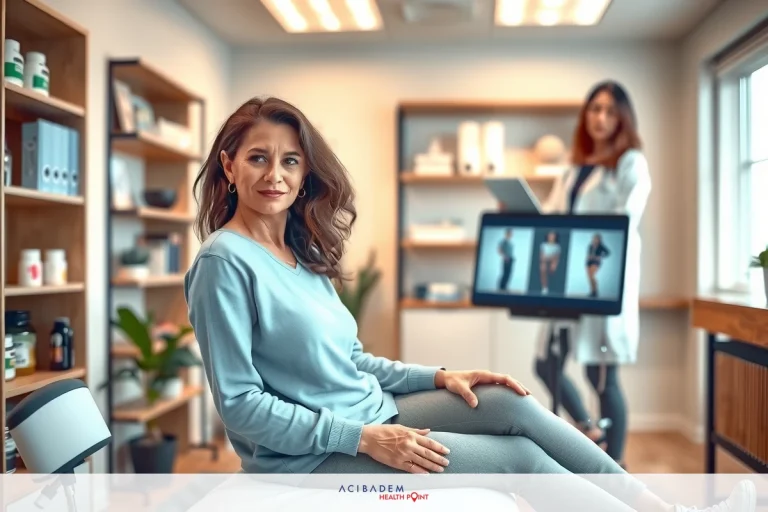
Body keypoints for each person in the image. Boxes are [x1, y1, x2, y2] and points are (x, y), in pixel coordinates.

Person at [184, 96, 755, 512]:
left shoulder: (300, 252)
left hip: (367, 409)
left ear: (305, 172)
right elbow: (239, 405)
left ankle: (665, 510)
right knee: (521, 463)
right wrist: (358, 438)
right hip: (308, 456)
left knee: (512, 405)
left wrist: (437, 375)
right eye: (258, 158)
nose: (275, 175)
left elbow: (351, 360)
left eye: (290, 161)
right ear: (229, 166)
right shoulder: (223, 264)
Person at [534, 80, 647, 468]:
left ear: (622, 118)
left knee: (602, 378)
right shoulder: (573, 168)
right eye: (595, 109)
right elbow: (551, 215)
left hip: (601, 281)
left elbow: (625, 220)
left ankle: (616, 473)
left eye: (610, 111)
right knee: (546, 365)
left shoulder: (630, 163)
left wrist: (580, 236)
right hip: (568, 284)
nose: (600, 118)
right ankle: (588, 429)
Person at [586, 233, 611, 298]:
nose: (595, 240)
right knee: (589, 278)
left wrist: (600, 256)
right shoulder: (590, 246)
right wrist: (589, 257)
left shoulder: (601, 246)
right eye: (594, 238)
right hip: (589, 262)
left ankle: (595, 291)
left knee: (592, 276)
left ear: (599, 240)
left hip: (596, 262)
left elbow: (608, 253)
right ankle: (592, 292)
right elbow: (588, 253)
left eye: (596, 238)